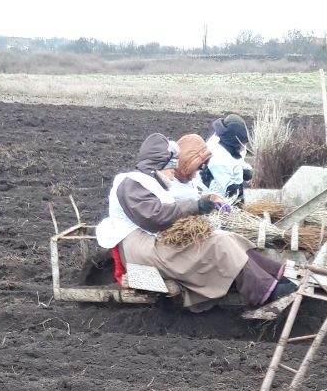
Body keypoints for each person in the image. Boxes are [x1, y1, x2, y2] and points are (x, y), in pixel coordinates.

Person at [95, 133, 296, 315]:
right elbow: (154, 217)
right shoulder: (132, 184)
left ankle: (277, 274)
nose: (174, 174)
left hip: (153, 244)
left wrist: (203, 202)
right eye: (171, 169)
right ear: (157, 167)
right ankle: (264, 292)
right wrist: (196, 206)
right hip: (142, 250)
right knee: (217, 243)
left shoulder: (149, 183)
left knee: (227, 237)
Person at [202, 113, 253, 204]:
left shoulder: (224, 144)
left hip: (226, 189)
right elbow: (231, 191)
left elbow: (239, 164)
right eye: (242, 143)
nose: (244, 146)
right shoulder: (218, 159)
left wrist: (251, 174)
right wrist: (250, 189)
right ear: (235, 142)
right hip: (216, 201)